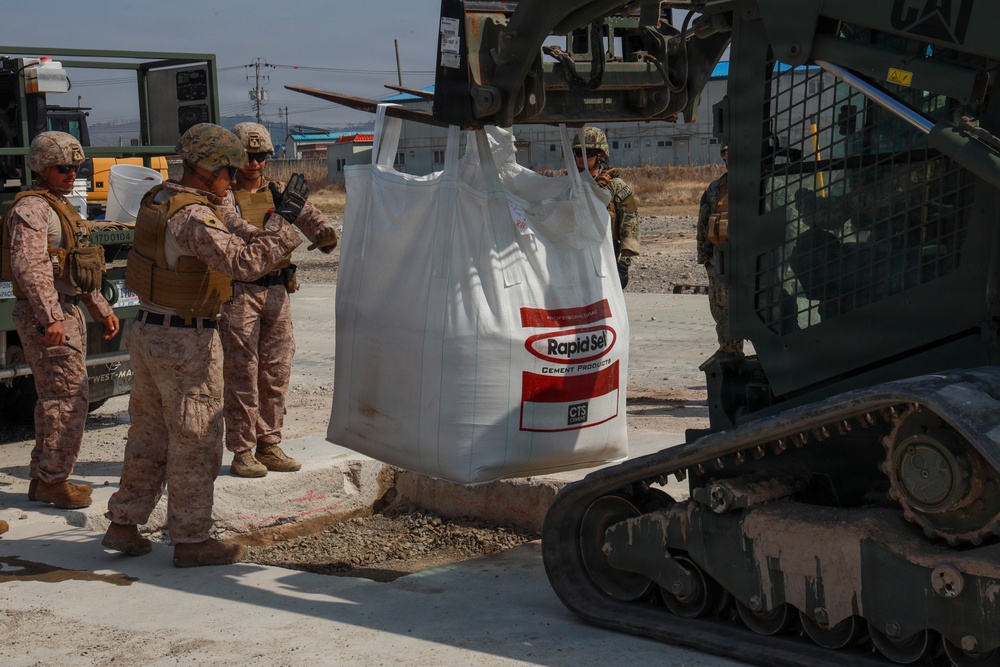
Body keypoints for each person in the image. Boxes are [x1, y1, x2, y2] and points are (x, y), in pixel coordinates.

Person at [102, 123, 307, 567]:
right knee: (196, 438)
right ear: (207, 167)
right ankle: (192, 541)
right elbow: (244, 263)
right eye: (228, 170)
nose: (234, 179)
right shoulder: (193, 216)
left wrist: (266, 225)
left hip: (151, 333)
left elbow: (233, 231)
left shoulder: (161, 198)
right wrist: (286, 227)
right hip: (184, 342)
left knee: (150, 435)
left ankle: (124, 523)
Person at [0, 131, 119, 509]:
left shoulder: (58, 207)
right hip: (47, 316)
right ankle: (52, 480)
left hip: (65, 310)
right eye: (63, 168)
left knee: (65, 396)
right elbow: (31, 267)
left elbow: (74, 266)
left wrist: (99, 305)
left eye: (75, 168)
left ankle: (46, 478)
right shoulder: (32, 209)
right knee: (64, 398)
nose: (72, 174)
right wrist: (50, 317)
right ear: (43, 168)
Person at [221, 122, 339, 478]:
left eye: (260, 156)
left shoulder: (279, 193)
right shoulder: (224, 196)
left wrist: (322, 232)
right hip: (240, 291)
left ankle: (268, 443)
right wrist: (279, 224)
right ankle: (242, 450)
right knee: (242, 372)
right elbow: (238, 229)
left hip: (276, 290)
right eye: (247, 156)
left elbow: (312, 218)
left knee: (275, 371)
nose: (254, 163)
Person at [573, 127, 640, 288]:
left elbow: (630, 218)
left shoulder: (614, 185)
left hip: (607, 248)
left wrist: (626, 257)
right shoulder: (569, 184)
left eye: (588, 153)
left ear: (600, 155)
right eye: (578, 153)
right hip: (576, 249)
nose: (582, 157)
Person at [697, 144, 744, 355]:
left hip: (756, 261)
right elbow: (704, 223)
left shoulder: (767, 184)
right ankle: (730, 353)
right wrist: (706, 260)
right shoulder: (716, 188)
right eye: (727, 155)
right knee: (723, 311)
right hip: (721, 261)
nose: (730, 159)